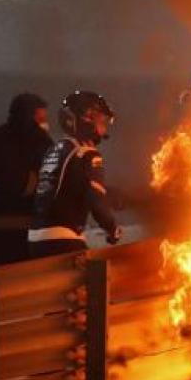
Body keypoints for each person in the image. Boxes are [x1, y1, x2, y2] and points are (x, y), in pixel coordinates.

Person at [28, 90, 122, 258]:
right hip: (63, 238)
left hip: (35, 239)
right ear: (87, 119)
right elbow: (96, 200)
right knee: (106, 271)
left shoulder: (54, 150)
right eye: (101, 120)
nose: (104, 128)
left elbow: (66, 187)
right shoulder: (87, 153)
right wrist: (112, 228)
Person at [0, 93, 53, 270]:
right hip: (22, 232)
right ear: (30, 118)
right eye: (41, 119)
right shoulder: (40, 143)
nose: (45, 124)